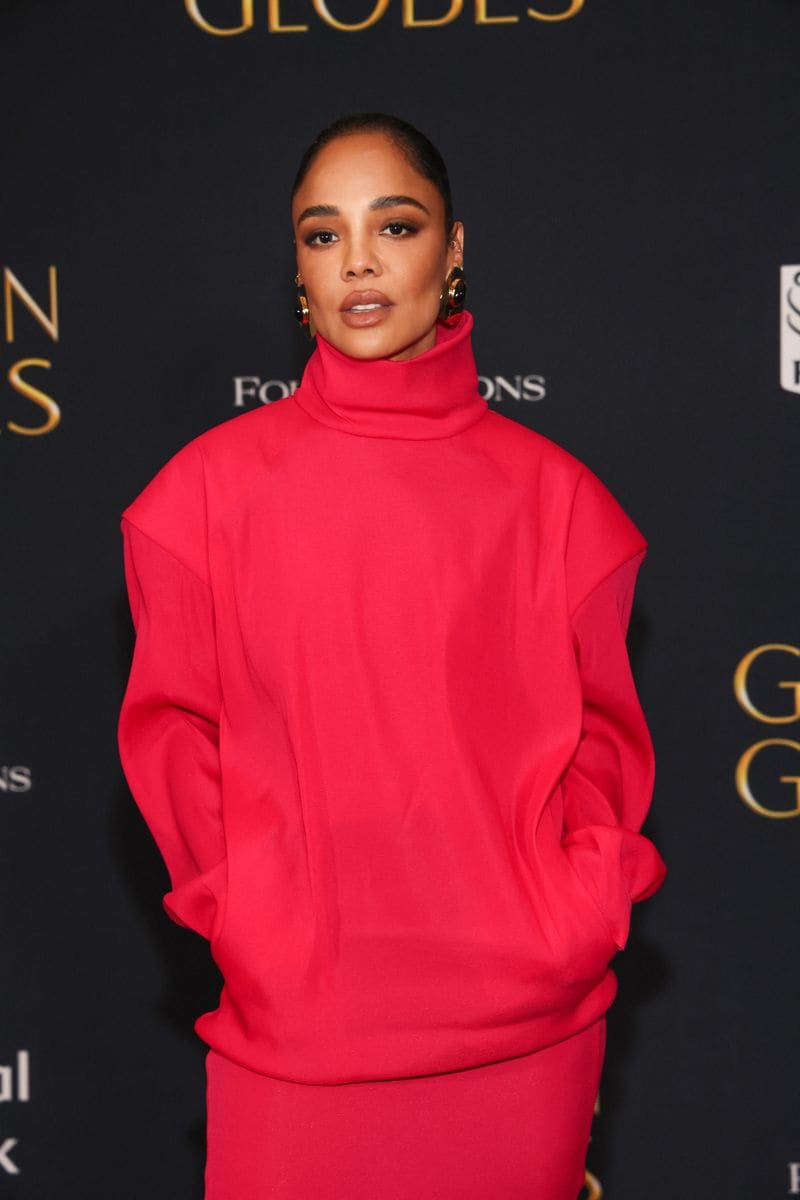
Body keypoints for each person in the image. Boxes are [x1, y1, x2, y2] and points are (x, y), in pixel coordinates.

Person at [117, 112, 667, 1200]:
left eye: (395, 224)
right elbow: (174, 742)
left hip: (523, 1034)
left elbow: (604, 752)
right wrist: (253, 924)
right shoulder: (196, 504)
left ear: (452, 251)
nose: (358, 261)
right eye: (322, 236)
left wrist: (571, 915)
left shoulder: (563, 507)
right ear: (298, 269)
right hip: (297, 1034)